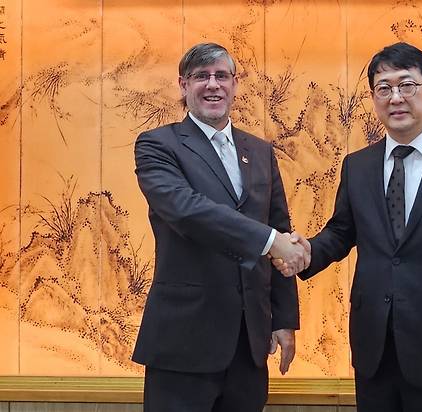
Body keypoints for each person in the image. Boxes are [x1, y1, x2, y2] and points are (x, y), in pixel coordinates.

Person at [276, 42, 422, 412]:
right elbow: (341, 233)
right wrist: (306, 254)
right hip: (374, 345)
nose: (395, 97)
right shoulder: (358, 166)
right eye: (384, 88)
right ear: (374, 98)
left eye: (407, 85)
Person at [132, 42, 308, 412]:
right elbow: (187, 210)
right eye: (201, 77)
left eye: (221, 76)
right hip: (184, 343)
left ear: (234, 84)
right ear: (183, 85)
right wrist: (271, 241)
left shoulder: (260, 151)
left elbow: (279, 227)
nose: (213, 85)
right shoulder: (157, 145)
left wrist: (285, 319)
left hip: (249, 343)